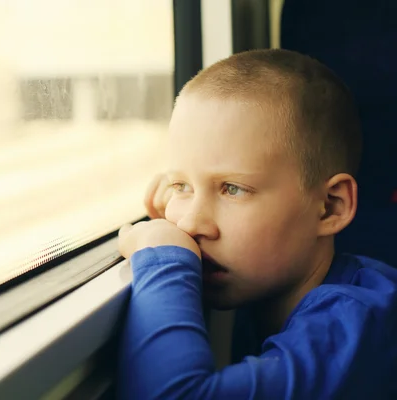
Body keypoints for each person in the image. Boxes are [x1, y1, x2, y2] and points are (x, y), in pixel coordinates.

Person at [116, 48, 397, 399]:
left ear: (329, 207)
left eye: (232, 189)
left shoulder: (354, 325)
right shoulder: (268, 287)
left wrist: (163, 256)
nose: (190, 224)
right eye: (180, 186)